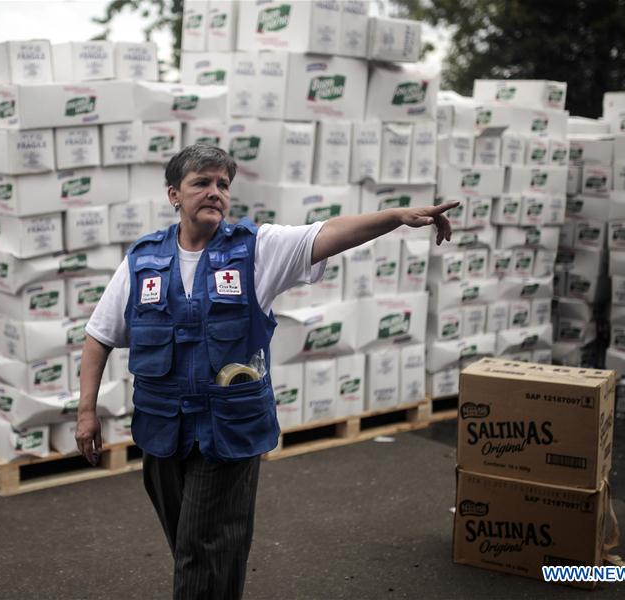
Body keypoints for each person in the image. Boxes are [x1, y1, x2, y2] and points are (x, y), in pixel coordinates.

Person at [75, 144, 458, 599]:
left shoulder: (256, 249)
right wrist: (86, 412)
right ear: (173, 194)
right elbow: (99, 335)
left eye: (223, 184)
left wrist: (395, 216)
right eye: (202, 183)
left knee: (202, 546)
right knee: (194, 545)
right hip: (163, 430)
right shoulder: (142, 261)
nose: (215, 192)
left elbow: (326, 233)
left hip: (227, 430)